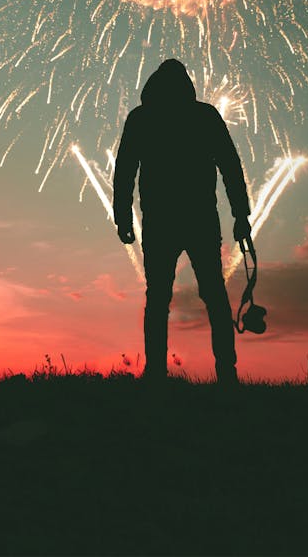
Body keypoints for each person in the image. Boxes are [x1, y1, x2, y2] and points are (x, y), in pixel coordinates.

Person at [113, 58, 251, 385]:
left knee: (158, 298)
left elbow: (124, 172)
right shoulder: (204, 116)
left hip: (160, 220)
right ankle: (226, 374)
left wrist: (122, 216)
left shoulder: (141, 118)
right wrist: (240, 214)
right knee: (214, 295)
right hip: (200, 218)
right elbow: (230, 166)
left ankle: (156, 374)